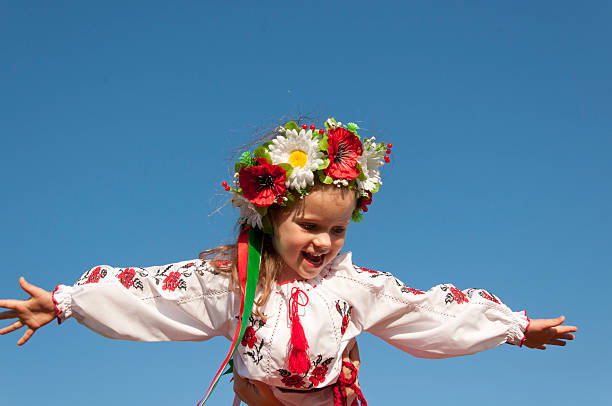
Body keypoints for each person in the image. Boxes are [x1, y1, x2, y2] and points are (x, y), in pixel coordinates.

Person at [0, 118, 577, 406]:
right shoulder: (228, 281)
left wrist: (515, 329)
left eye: (338, 229)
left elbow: (426, 313)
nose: (325, 241)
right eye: (309, 225)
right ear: (268, 217)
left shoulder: (354, 286)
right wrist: (63, 303)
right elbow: (150, 297)